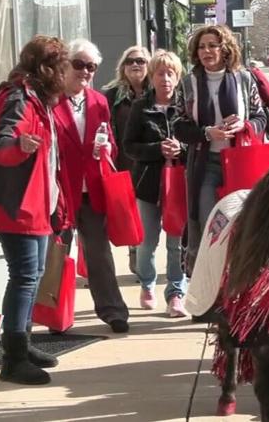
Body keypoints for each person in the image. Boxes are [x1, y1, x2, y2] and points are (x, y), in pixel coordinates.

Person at [0, 35, 69, 385]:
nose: (66, 71)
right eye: (62, 64)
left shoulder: (34, 98)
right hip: (17, 205)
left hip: (32, 203)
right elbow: (1, 145)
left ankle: (21, 347)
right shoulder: (19, 97)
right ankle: (13, 358)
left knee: (32, 274)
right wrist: (20, 146)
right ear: (47, 67)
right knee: (25, 277)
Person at [173, 24, 266, 275]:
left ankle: (239, 284)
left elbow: (261, 118)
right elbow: (178, 125)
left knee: (241, 224)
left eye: (213, 45)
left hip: (239, 163)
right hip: (204, 164)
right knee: (208, 226)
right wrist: (206, 133)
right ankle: (209, 289)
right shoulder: (188, 83)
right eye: (202, 46)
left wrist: (243, 125)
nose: (207, 51)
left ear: (225, 49)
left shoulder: (244, 79)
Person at [54, 39, 130, 334]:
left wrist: (106, 148)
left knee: (99, 253)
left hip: (92, 188)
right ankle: (53, 315)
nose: (85, 72)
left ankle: (113, 311)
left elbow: (109, 137)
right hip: (60, 190)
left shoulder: (98, 101)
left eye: (91, 67)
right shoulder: (51, 100)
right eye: (78, 64)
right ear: (64, 65)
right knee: (56, 255)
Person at [122, 50, 189, 317]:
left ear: (177, 77)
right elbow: (128, 146)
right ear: (152, 77)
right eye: (160, 73)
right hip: (148, 185)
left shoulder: (186, 106)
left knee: (176, 244)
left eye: (170, 74)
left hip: (178, 184)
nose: (165, 79)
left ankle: (175, 293)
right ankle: (147, 283)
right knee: (147, 243)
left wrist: (181, 148)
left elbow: (197, 141)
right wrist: (156, 149)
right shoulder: (140, 107)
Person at [102, 45, 152, 276]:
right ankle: (135, 251)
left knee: (152, 216)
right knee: (131, 213)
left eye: (141, 61)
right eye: (130, 61)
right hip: (124, 163)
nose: (135, 65)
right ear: (122, 67)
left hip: (153, 162)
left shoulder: (159, 90)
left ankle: (144, 254)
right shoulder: (110, 95)